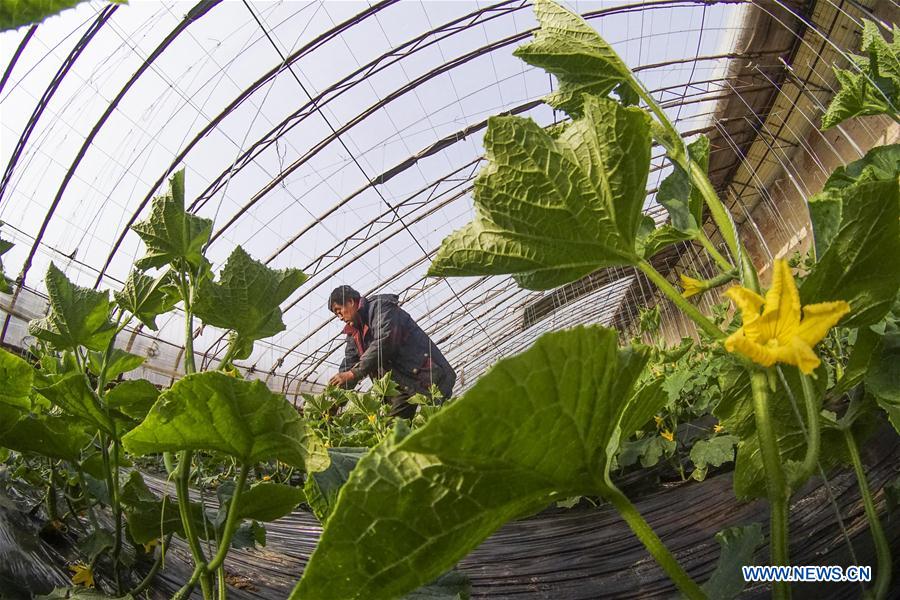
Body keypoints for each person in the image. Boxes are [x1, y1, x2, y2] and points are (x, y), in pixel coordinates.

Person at [327, 285, 456, 418]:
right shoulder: (354, 332)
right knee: (394, 429)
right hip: (400, 384)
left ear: (350, 302)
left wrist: (354, 373)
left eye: (339, 310)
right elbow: (349, 364)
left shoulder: (381, 307)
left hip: (424, 375)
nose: (340, 317)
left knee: (440, 420)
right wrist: (336, 401)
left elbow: (384, 341)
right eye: (337, 314)